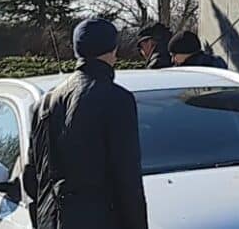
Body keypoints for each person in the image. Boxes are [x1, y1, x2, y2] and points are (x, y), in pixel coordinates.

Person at [22, 17, 148, 229]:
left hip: (52, 220)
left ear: (77, 51)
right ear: (113, 50)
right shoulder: (116, 99)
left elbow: (32, 179)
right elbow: (127, 179)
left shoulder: (43, 105)